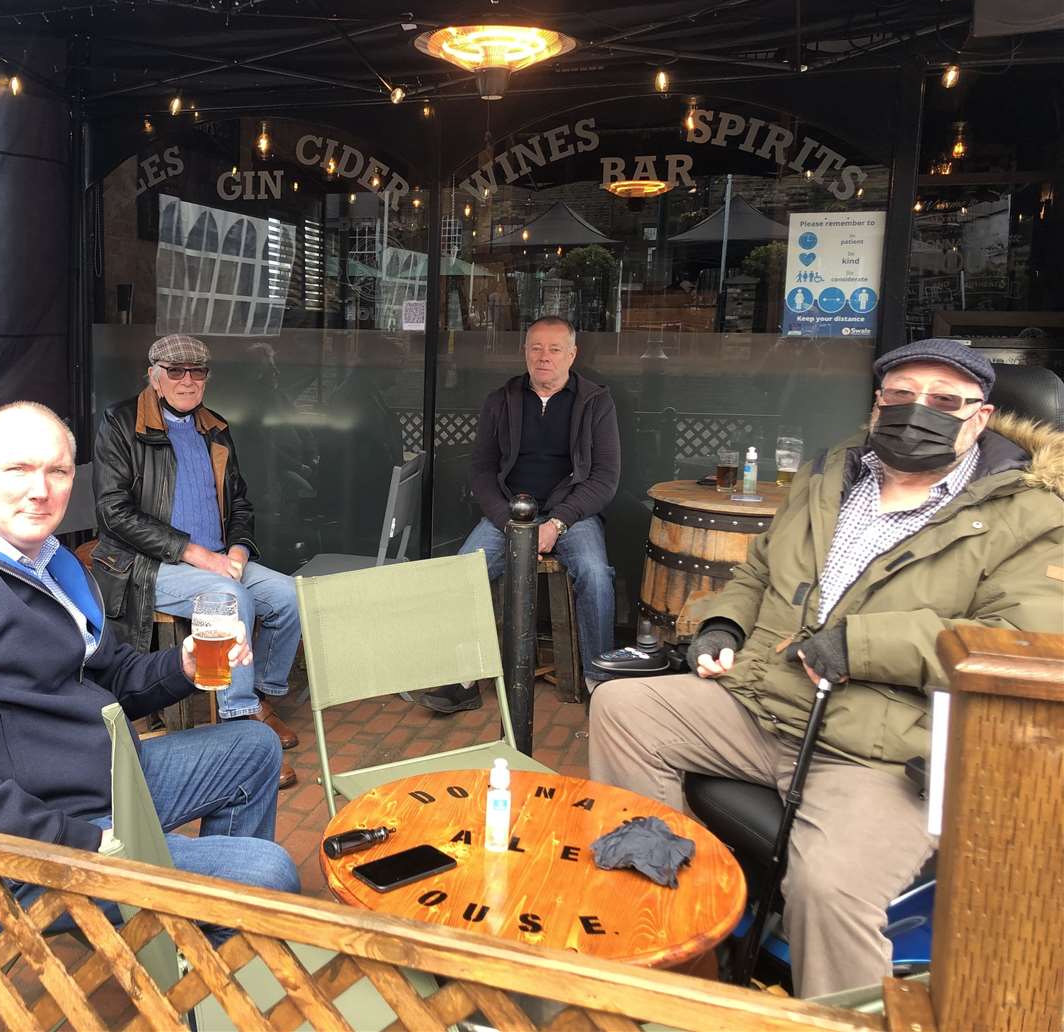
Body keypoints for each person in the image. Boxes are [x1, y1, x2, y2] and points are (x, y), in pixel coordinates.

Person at [589, 338, 1064, 998]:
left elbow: (1017, 643)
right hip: (769, 704)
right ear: (877, 405)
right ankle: (683, 930)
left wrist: (865, 644)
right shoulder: (830, 476)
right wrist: (722, 623)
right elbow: (756, 572)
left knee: (830, 888)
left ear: (980, 418)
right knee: (623, 708)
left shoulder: (1032, 514)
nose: (916, 411)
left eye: (943, 401)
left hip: (884, 750)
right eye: (899, 396)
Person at [0, 402, 298, 939]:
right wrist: (83, 843)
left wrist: (182, 666)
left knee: (253, 748)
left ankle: (184, 941)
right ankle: (190, 937)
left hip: (98, 781)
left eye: (57, 471)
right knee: (266, 875)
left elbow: (112, 675)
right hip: (17, 854)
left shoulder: (49, 563)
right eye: (17, 469)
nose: (39, 489)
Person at [92, 335, 302, 789]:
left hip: (218, 557)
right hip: (145, 564)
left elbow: (240, 503)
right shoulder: (120, 422)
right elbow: (114, 513)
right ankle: (240, 722)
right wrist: (196, 554)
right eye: (176, 371)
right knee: (228, 598)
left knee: (287, 596)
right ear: (154, 375)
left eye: (197, 372)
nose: (187, 381)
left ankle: (259, 695)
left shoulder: (215, 426)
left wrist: (240, 549)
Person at [413, 316, 620, 713]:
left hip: (571, 514)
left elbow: (605, 480)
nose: (544, 358)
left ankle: (601, 684)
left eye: (555, 349)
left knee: (596, 575)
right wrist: (507, 522)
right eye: (536, 348)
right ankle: (463, 681)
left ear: (572, 355)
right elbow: (483, 471)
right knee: (462, 574)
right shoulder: (502, 400)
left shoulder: (595, 401)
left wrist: (558, 523)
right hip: (510, 513)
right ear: (524, 352)